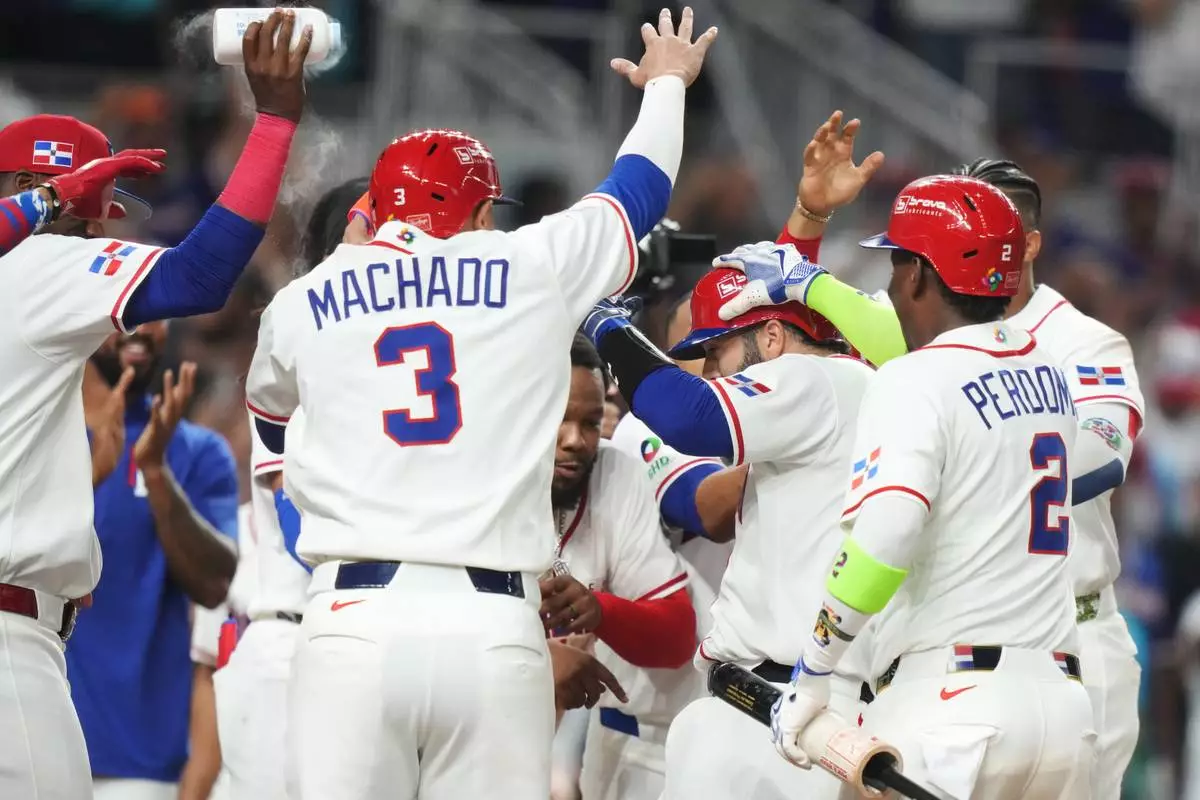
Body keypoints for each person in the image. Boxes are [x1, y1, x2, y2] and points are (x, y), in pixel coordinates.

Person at [245, 11, 717, 794]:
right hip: (495, 625)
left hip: (352, 623)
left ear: (378, 209)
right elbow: (637, 193)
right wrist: (666, 82)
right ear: (476, 213)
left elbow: (270, 413)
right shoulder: (526, 267)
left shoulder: (304, 299)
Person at [723, 154, 1145, 800]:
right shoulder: (1049, 374)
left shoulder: (914, 377)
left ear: (919, 273)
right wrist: (810, 279)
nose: (890, 278)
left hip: (953, 706)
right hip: (1061, 707)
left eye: (897, 261)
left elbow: (886, 537)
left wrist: (814, 667)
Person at [0, 11, 309, 799]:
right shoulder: (37, 268)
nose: (101, 224)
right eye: (90, 206)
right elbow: (200, 277)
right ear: (37, 196)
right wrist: (273, 124)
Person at [583, 254, 872, 799]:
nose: (711, 370)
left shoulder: (815, 379)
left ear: (770, 338)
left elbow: (689, 417)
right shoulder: (854, 385)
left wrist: (607, 326)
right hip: (809, 700)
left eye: (716, 350)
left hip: (786, 706)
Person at [69, 323, 238, 800]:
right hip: (24, 737)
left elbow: (214, 584)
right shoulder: (27, 437)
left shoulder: (196, 453)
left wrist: (155, 473)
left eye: (157, 310)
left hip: (139, 763)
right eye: (127, 309)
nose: (142, 326)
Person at [545, 334, 695, 800]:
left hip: (580, 723)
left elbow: (677, 635)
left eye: (590, 422)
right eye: (558, 419)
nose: (575, 441)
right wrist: (538, 657)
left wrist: (602, 610)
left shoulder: (615, 474)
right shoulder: (482, 479)